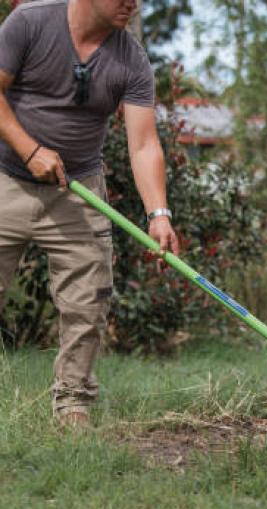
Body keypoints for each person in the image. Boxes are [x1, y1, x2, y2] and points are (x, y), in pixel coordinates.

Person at [0, 0, 179, 428]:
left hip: (78, 190)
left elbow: (143, 145)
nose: (132, 2)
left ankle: (73, 405)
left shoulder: (131, 59)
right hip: (6, 178)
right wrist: (29, 149)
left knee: (88, 302)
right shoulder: (30, 22)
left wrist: (159, 214)